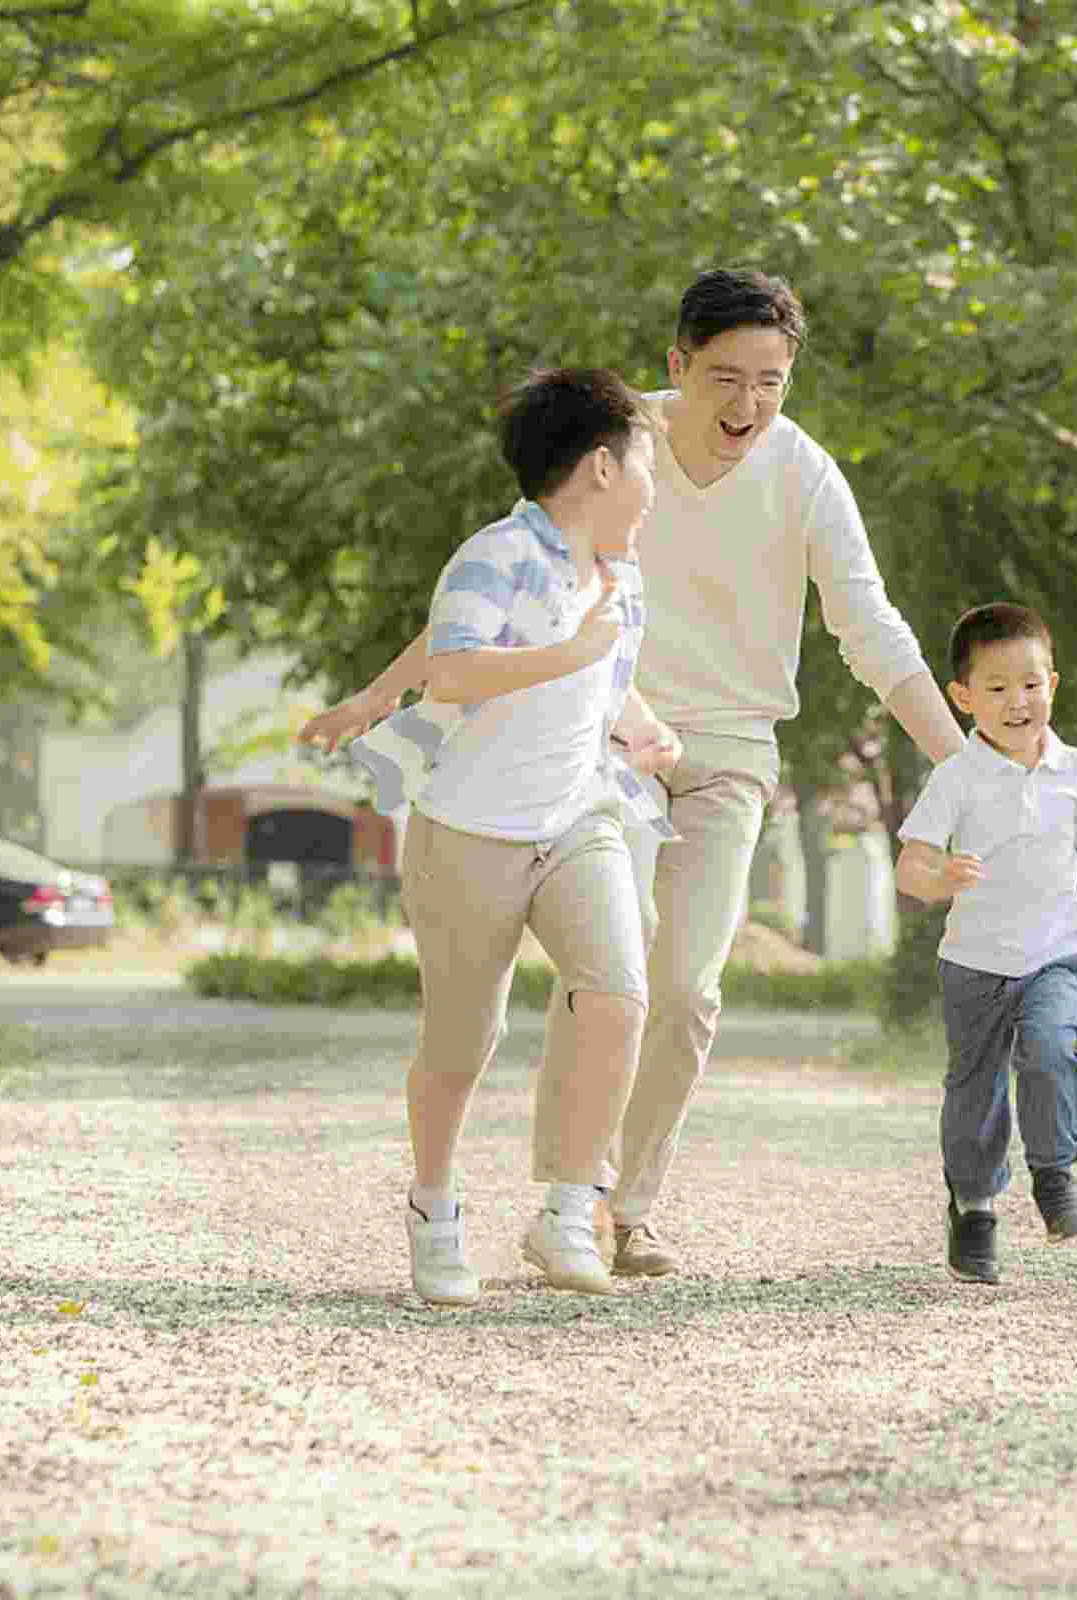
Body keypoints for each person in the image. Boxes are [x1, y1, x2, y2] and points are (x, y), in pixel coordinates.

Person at [303, 268, 965, 1276]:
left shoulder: (803, 475)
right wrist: (380, 697)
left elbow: (870, 629)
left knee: (686, 987)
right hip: (598, 739)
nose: (747, 406)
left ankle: (621, 1202)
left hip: (727, 748)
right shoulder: (614, 451)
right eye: (726, 378)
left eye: (772, 382)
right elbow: (502, 593)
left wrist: (965, 769)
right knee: (610, 966)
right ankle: (567, 1194)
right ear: (677, 366)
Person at [303, 367, 682, 1306]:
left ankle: (566, 1213)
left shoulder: (620, 578)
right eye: (646, 467)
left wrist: (642, 723)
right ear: (600, 467)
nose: (654, 491)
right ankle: (434, 1207)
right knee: (461, 1043)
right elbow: (458, 665)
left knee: (620, 994)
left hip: (577, 817)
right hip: (469, 834)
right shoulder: (496, 553)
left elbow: (604, 675)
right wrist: (394, 693)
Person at [893, 601, 1077, 1285]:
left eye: (1030, 684)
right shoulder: (956, 779)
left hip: (1055, 949)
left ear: (1051, 684)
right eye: (996, 689)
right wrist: (939, 876)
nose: (1017, 701)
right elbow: (910, 863)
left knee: (1053, 1052)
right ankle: (973, 1206)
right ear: (964, 698)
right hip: (972, 963)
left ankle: (1055, 1174)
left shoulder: (1076, 769)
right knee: (975, 1089)